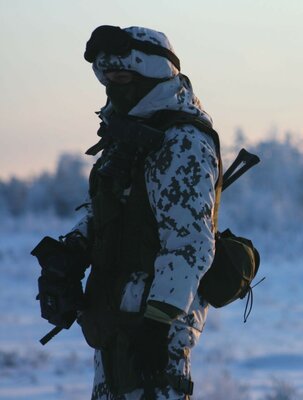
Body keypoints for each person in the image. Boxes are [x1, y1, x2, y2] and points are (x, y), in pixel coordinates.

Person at [67, 25, 220, 399]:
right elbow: (103, 208)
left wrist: (158, 322)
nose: (111, 87)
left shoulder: (182, 141)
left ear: (150, 74)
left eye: (120, 76)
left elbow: (190, 243)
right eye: (105, 78)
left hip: (156, 332)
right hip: (113, 317)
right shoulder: (124, 136)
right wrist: (68, 254)